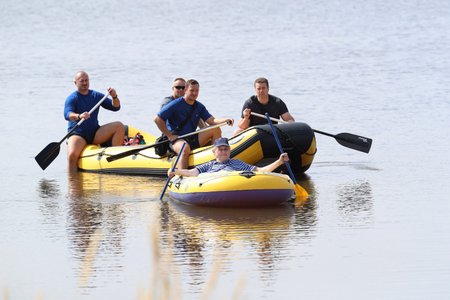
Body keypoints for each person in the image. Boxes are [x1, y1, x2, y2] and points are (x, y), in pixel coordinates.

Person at [154, 79, 233, 169]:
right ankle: (182, 176)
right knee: (184, 148)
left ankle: (217, 162)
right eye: (192, 90)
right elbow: (157, 119)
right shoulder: (175, 104)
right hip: (177, 139)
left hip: (191, 136)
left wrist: (225, 120)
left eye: (197, 91)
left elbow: (211, 120)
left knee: (215, 129)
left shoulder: (199, 106)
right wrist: (169, 136)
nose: (194, 93)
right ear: (186, 90)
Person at [64, 71, 125, 172]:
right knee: (72, 155)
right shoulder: (72, 98)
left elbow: (116, 107)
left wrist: (114, 96)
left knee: (119, 126)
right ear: (75, 83)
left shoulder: (96, 95)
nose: (84, 83)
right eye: (81, 81)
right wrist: (79, 116)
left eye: (86, 80)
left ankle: (115, 161)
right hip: (78, 134)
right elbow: (67, 114)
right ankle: (73, 181)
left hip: (95, 133)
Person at [168, 137, 289, 177]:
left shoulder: (237, 163)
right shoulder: (209, 165)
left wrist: (279, 162)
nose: (223, 152)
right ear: (214, 152)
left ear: (229, 151)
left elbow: (260, 171)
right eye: (220, 149)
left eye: (226, 149)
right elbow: (192, 173)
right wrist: (176, 171)